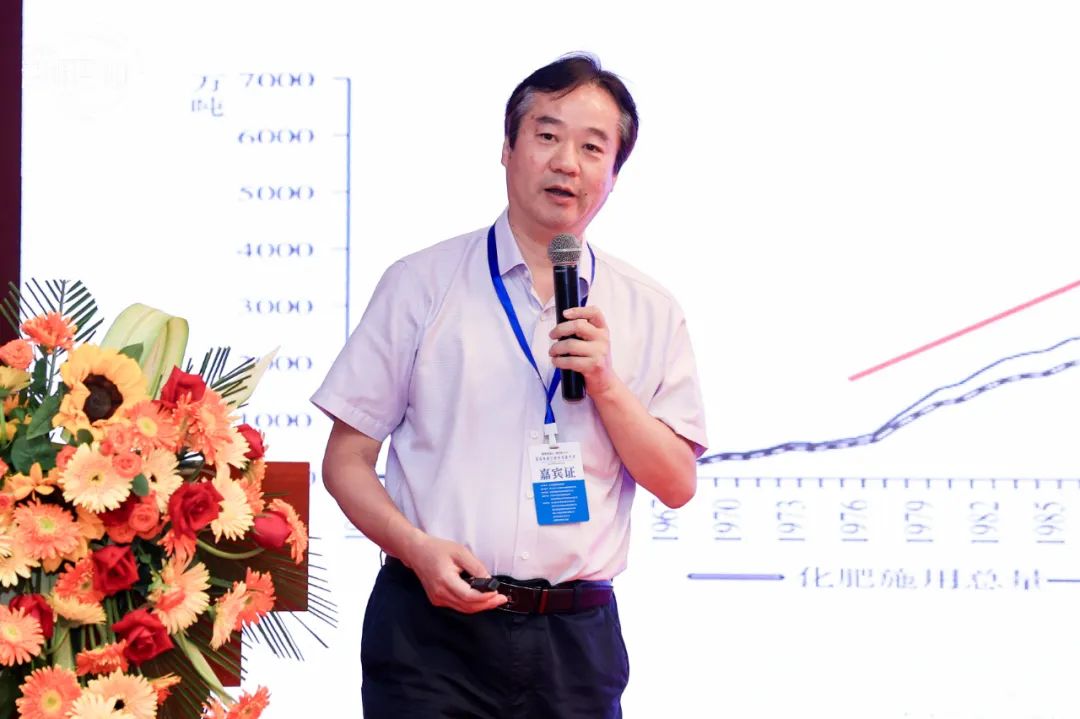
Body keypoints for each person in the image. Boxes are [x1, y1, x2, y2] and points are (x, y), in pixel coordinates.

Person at [311, 52, 708, 718]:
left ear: (613, 174)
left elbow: (677, 483)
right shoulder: (420, 283)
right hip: (430, 635)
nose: (567, 163)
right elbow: (345, 460)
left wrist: (605, 384)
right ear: (507, 148)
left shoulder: (650, 309)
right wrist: (415, 548)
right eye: (547, 135)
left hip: (574, 641)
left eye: (592, 147)